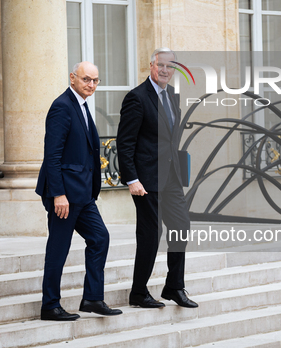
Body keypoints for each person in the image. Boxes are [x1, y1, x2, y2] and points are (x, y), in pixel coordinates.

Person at [36, 61, 122, 321]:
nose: (92, 85)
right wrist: (58, 194)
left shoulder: (82, 106)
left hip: (83, 195)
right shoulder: (62, 106)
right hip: (65, 195)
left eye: (95, 81)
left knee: (100, 238)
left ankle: (92, 298)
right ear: (72, 78)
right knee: (58, 250)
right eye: (86, 79)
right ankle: (50, 305)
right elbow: (52, 155)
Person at [117, 48, 198, 309]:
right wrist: (131, 178)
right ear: (151, 65)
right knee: (151, 235)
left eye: (170, 67)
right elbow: (125, 143)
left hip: (171, 178)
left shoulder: (172, 96)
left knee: (181, 226)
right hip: (146, 180)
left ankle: (174, 286)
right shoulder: (137, 98)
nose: (165, 70)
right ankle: (138, 292)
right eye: (160, 65)